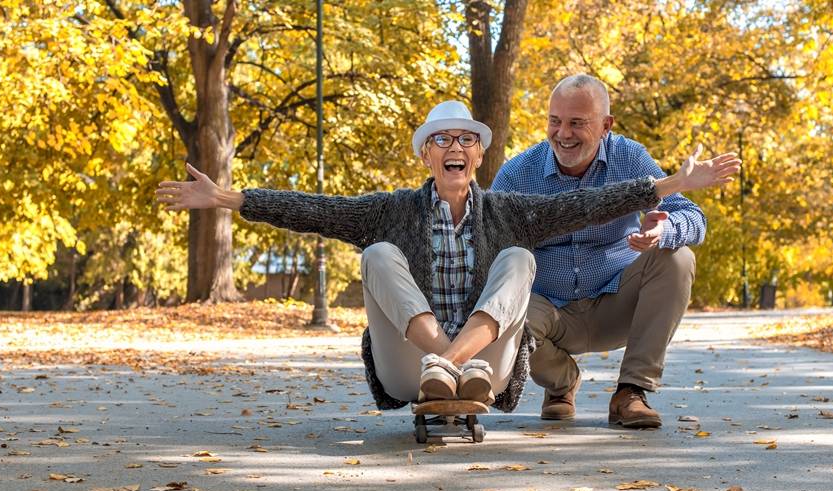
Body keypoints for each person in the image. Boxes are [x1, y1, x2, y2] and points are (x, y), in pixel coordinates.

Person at [157, 100, 739, 413]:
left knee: (517, 259)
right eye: (441, 140)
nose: (454, 147)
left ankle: (460, 363)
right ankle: (444, 360)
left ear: (479, 157)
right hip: (411, 365)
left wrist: (665, 185)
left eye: (465, 140)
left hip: (489, 369)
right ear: (426, 157)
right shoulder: (391, 210)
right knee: (380, 254)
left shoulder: (510, 211)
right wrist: (227, 198)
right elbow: (314, 209)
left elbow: (593, 203)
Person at [492, 74, 714, 428]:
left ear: (606, 125)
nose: (563, 134)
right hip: (548, 309)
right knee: (497, 309)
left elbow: (693, 217)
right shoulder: (518, 174)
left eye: (577, 123)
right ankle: (562, 383)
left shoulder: (630, 158)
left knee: (678, 257)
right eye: (555, 121)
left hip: (617, 302)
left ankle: (631, 392)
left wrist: (663, 230)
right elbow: (489, 247)